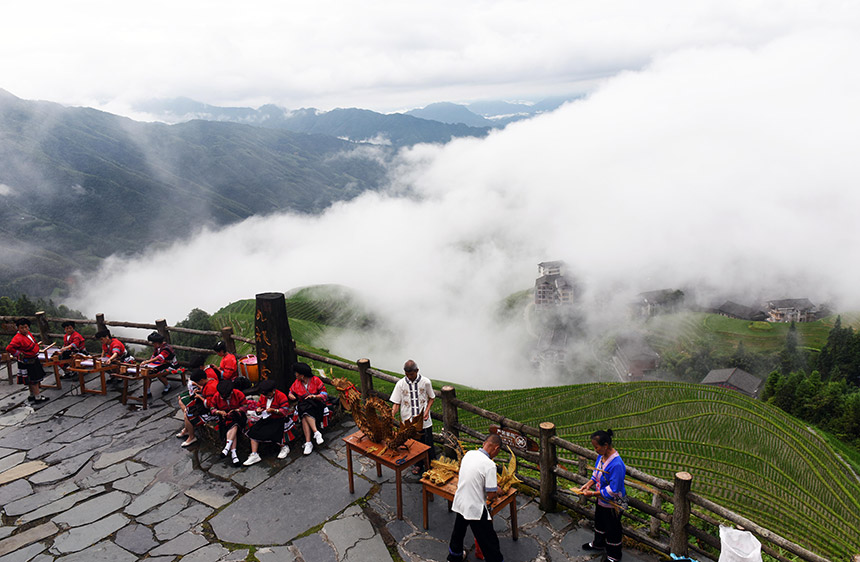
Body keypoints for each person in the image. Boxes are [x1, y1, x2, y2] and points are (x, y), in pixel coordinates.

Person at [447, 434, 504, 562]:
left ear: (484, 443)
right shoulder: (489, 465)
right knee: (489, 540)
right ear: (496, 448)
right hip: (474, 506)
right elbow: (491, 495)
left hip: (460, 500)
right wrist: (497, 491)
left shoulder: (469, 454)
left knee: (459, 531)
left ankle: (455, 556)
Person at [579, 428, 627, 562]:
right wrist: (588, 484)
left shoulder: (617, 464)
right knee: (600, 522)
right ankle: (599, 544)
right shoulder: (601, 456)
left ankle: (614, 556)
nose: (595, 450)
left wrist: (593, 493)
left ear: (605, 446)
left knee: (612, 529)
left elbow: (614, 490)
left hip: (613, 503)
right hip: (601, 499)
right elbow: (596, 474)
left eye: (596, 447)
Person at [390, 359, 436, 475]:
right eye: (407, 374)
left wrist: (426, 410)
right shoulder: (400, 384)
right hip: (408, 421)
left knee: (427, 442)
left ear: (417, 371)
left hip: (423, 420)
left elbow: (432, 398)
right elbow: (396, 402)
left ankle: (431, 465)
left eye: (411, 374)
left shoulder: (426, 382)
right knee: (414, 444)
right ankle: (418, 465)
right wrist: (392, 414)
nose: (409, 377)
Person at [243, 379, 293, 465]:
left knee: (275, 432)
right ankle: (254, 454)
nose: (267, 397)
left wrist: (274, 410)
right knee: (253, 431)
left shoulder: (281, 396)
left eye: (268, 395)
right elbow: (260, 405)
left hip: (279, 419)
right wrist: (258, 410)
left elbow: (284, 411)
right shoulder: (263, 396)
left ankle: (284, 447)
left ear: (273, 391)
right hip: (267, 418)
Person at [288, 362, 328, 455]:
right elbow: (291, 391)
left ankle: (308, 442)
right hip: (305, 406)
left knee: (304, 411)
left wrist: (314, 396)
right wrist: (290, 395)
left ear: (302, 375)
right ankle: (315, 433)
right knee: (304, 411)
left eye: (296, 373)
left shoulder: (315, 380)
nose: (295, 375)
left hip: (316, 404)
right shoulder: (297, 383)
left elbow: (324, 394)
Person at [5, 318, 49, 403]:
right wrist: (19, 354)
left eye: (26, 327)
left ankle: (32, 395)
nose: (24, 329)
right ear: (18, 328)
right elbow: (9, 348)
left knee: (30, 379)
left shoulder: (28, 334)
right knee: (34, 380)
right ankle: (38, 397)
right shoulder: (17, 338)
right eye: (22, 328)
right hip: (28, 361)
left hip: (32, 359)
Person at [206, 379, 247, 465]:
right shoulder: (216, 396)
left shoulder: (238, 394)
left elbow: (245, 406)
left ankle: (227, 447)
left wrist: (237, 410)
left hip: (238, 416)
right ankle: (233, 453)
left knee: (235, 423)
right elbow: (212, 408)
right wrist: (219, 412)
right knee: (233, 427)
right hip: (225, 418)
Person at [175, 368, 214, 447]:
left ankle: (191, 436)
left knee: (188, 415)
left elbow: (209, 404)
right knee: (188, 410)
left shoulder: (210, 388)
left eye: (198, 382)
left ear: (202, 380)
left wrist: (200, 398)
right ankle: (187, 430)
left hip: (212, 412)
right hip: (207, 406)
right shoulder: (211, 381)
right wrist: (200, 391)